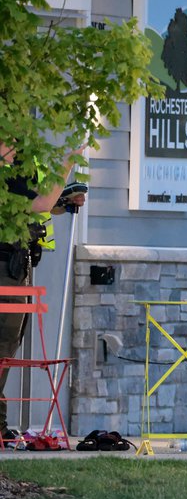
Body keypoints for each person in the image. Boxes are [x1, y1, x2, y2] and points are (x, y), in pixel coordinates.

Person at [1, 139, 86, 445]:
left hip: (18, 265)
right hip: (4, 267)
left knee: (8, 347)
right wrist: (67, 163)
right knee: (3, 347)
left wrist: (63, 201)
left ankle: (0, 425)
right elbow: (37, 204)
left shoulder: (23, 161)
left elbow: (38, 202)